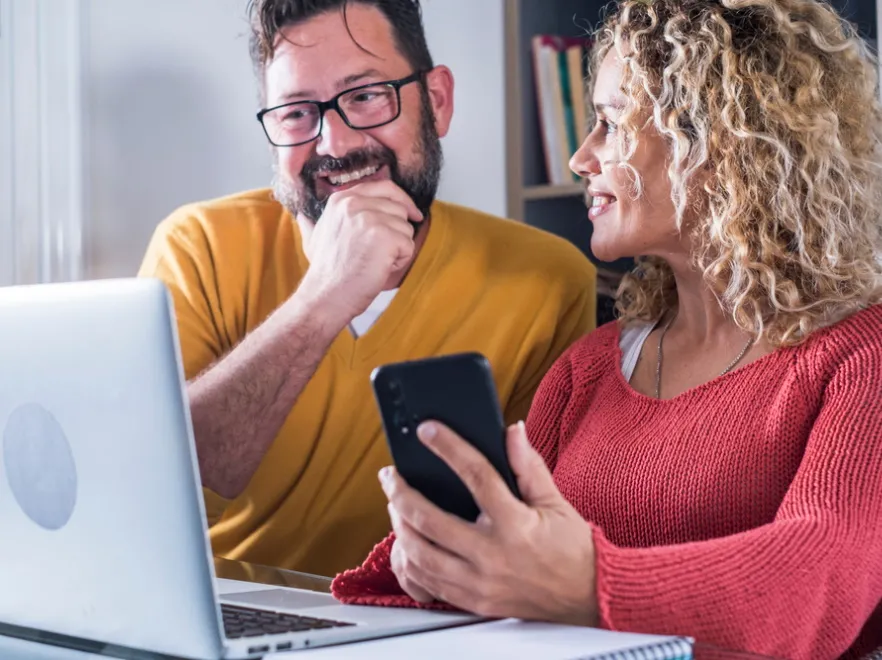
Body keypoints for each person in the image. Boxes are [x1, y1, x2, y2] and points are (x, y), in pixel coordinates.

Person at [330, 0, 882, 657]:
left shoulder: (861, 355)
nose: (580, 157)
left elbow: (820, 571)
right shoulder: (590, 367)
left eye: (610, 124)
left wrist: (588, 584)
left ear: (717, 139)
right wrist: (441, 553)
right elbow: (512, 567)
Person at [137, 0, 597, 578]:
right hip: (230, 614)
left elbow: (535, 523)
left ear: (436, 101)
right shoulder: (198, 245)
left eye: (365, 96)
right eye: (296, 112)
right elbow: (165, 478)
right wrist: (327, 293)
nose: (334, 142)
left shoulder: (549, 279)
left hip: (436, 621)